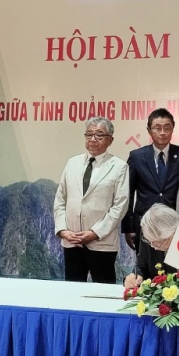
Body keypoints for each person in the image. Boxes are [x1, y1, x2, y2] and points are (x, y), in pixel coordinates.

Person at [53, 116, 130, 283]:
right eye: (89, 134)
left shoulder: (119, 167)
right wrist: (63, 230)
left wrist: (95, 233)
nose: (93, 139)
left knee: (103, 290)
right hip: (72, 241)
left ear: (110, 140)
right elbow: (60, 200)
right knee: (72, 290)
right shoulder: (72, 163)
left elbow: (120, 206)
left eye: (99, 135)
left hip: (101, 243)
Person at [122, 108, 179, 253]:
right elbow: (128, 193)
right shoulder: (137, 156)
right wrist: (129, 227)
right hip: (145, 224)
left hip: (175, 225)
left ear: (172, 130)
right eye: (157, 128)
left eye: (167, 128)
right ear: (149, 130)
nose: (162, 132)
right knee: (146, 265)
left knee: (174, 265)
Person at [123, 203, 179, 291]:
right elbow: (141, 266)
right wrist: (136, 276)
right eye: (149, 242)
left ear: (173, 233)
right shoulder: (149, 235)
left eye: (158, 243)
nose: (154, 247)